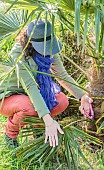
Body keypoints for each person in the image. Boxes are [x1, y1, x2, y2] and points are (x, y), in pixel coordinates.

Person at [0, 19, 93, 148]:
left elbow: (62, 76)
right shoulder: (19, 53)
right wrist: (49, 122)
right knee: (30, 107)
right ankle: (10, 135)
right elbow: (30, 87)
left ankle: (38, 128)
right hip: (9, 97)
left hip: (33, 95)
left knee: (62, 101)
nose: (47, 50)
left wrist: (82, 96)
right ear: (31, 42)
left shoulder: (50, 48)